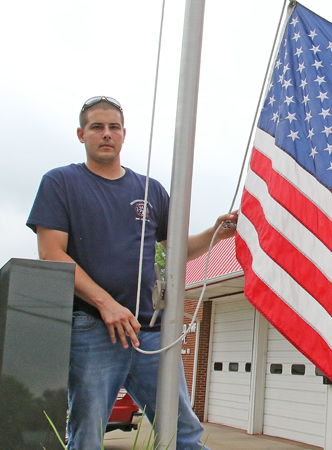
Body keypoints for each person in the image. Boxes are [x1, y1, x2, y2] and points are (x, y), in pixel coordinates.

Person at [26, 96, 238, 449]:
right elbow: (51, 254)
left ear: (124, 134)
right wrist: (106, 303)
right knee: (87, 436)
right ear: (82, 134)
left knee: (184, 431)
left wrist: (216, 234)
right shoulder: (61, 182)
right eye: (97, 127)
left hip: (150, 331)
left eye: (113, 127)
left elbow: (176, 250)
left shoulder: (151, 190)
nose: (106, 134)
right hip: (92, 328)